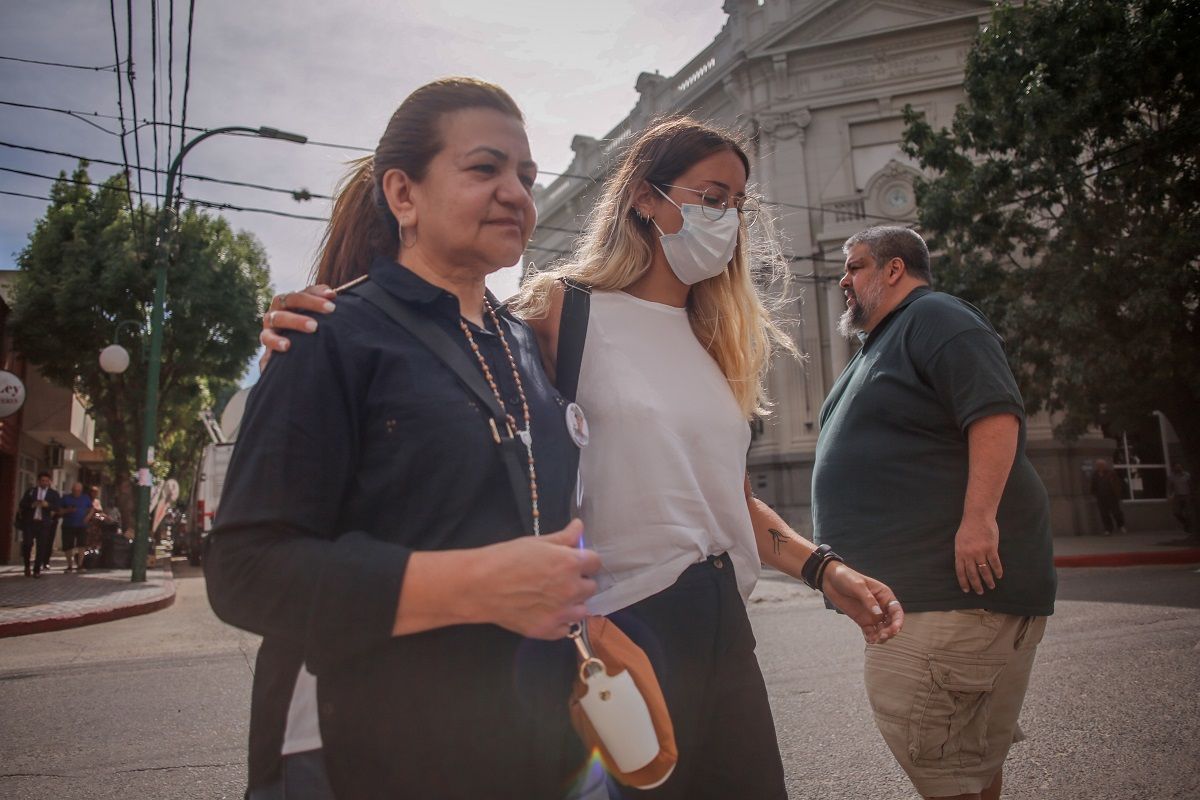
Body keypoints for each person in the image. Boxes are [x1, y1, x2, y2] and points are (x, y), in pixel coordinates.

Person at [264, 114, 905, 799]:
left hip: (727, 629)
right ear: (644, 198)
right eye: (711, 198)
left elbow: (727, 497)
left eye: (738, 206)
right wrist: (328, 312)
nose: (729, 219)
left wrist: (821, 568)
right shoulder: (558, 313)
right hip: (625, 627)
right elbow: (440, 370)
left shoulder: (713, 336)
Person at [205, 78, 602, 800]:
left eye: (526, 175)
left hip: (533, 746)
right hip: (367, 754)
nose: (516, 192)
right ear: (404, 195)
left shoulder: (526, 346)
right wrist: (474, 586)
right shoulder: (330, 335)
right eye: (485, 169)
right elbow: (244, 571)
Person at [812, 225, 1056, 800]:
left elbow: (994, 414)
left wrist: (978, 521)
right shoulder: (884, 340)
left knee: (948, 772)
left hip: (949, 597)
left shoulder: (937, 316)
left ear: (894, 269)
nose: (844, 280)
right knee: (967, 763)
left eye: (856, 266)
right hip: (929, 600)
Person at [18, 472, 60, 577]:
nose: (44, 483)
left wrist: (48, 505)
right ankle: (27, 566)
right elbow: (22, 504)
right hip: (30, 523)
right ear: (38, 481)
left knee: (41, 547)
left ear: (50, 482)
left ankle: (37, 570)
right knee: (27, 544)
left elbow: (57, 508)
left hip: (44, 524)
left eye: (47, 481)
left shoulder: (53, 494)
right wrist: (32, 505)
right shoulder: (31, 491)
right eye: (42, 481)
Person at [58, 482, 92, 572]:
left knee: (82, 545)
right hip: (68, 525)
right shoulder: (66, 498)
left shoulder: (85, 498)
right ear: (72, 490)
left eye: (79, 491)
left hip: (82, 525)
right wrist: (68, 510)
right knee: (68, 546)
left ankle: (80, 565)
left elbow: (91, 508)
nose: (77, 492)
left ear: (81, 491)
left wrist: (88, 517)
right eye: (75, 490)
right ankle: (69, 565)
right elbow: (59, 511)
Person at [1090, 458, 1127, 536]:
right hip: (1101, 498)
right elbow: (1093, 485)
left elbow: (1117, 484)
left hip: (1112, 497)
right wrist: (1094, 494)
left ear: (1105, 465)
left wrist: (1118, 494)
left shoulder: (1111, 473)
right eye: (1098, 465)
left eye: (1102, 465)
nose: (1100, 466)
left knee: (1116, 512)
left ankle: (1121, 525)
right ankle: (1108, 529)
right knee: (1104, 514)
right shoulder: (1095, 475)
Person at [1167, 462, 1194, 536]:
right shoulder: (1171, 477)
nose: (1178, 469)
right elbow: (1170, 487)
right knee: (1176, 512)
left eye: (1179, 467)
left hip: (1187, 495)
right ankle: (1185, 523)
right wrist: (1169, 495)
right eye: (1176, 467)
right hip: (1178, 496)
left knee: (1188, 513)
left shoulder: (1187, 475)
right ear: (1174, 468)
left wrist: (1192, 495)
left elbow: (1191, 485)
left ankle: (1189, 528)